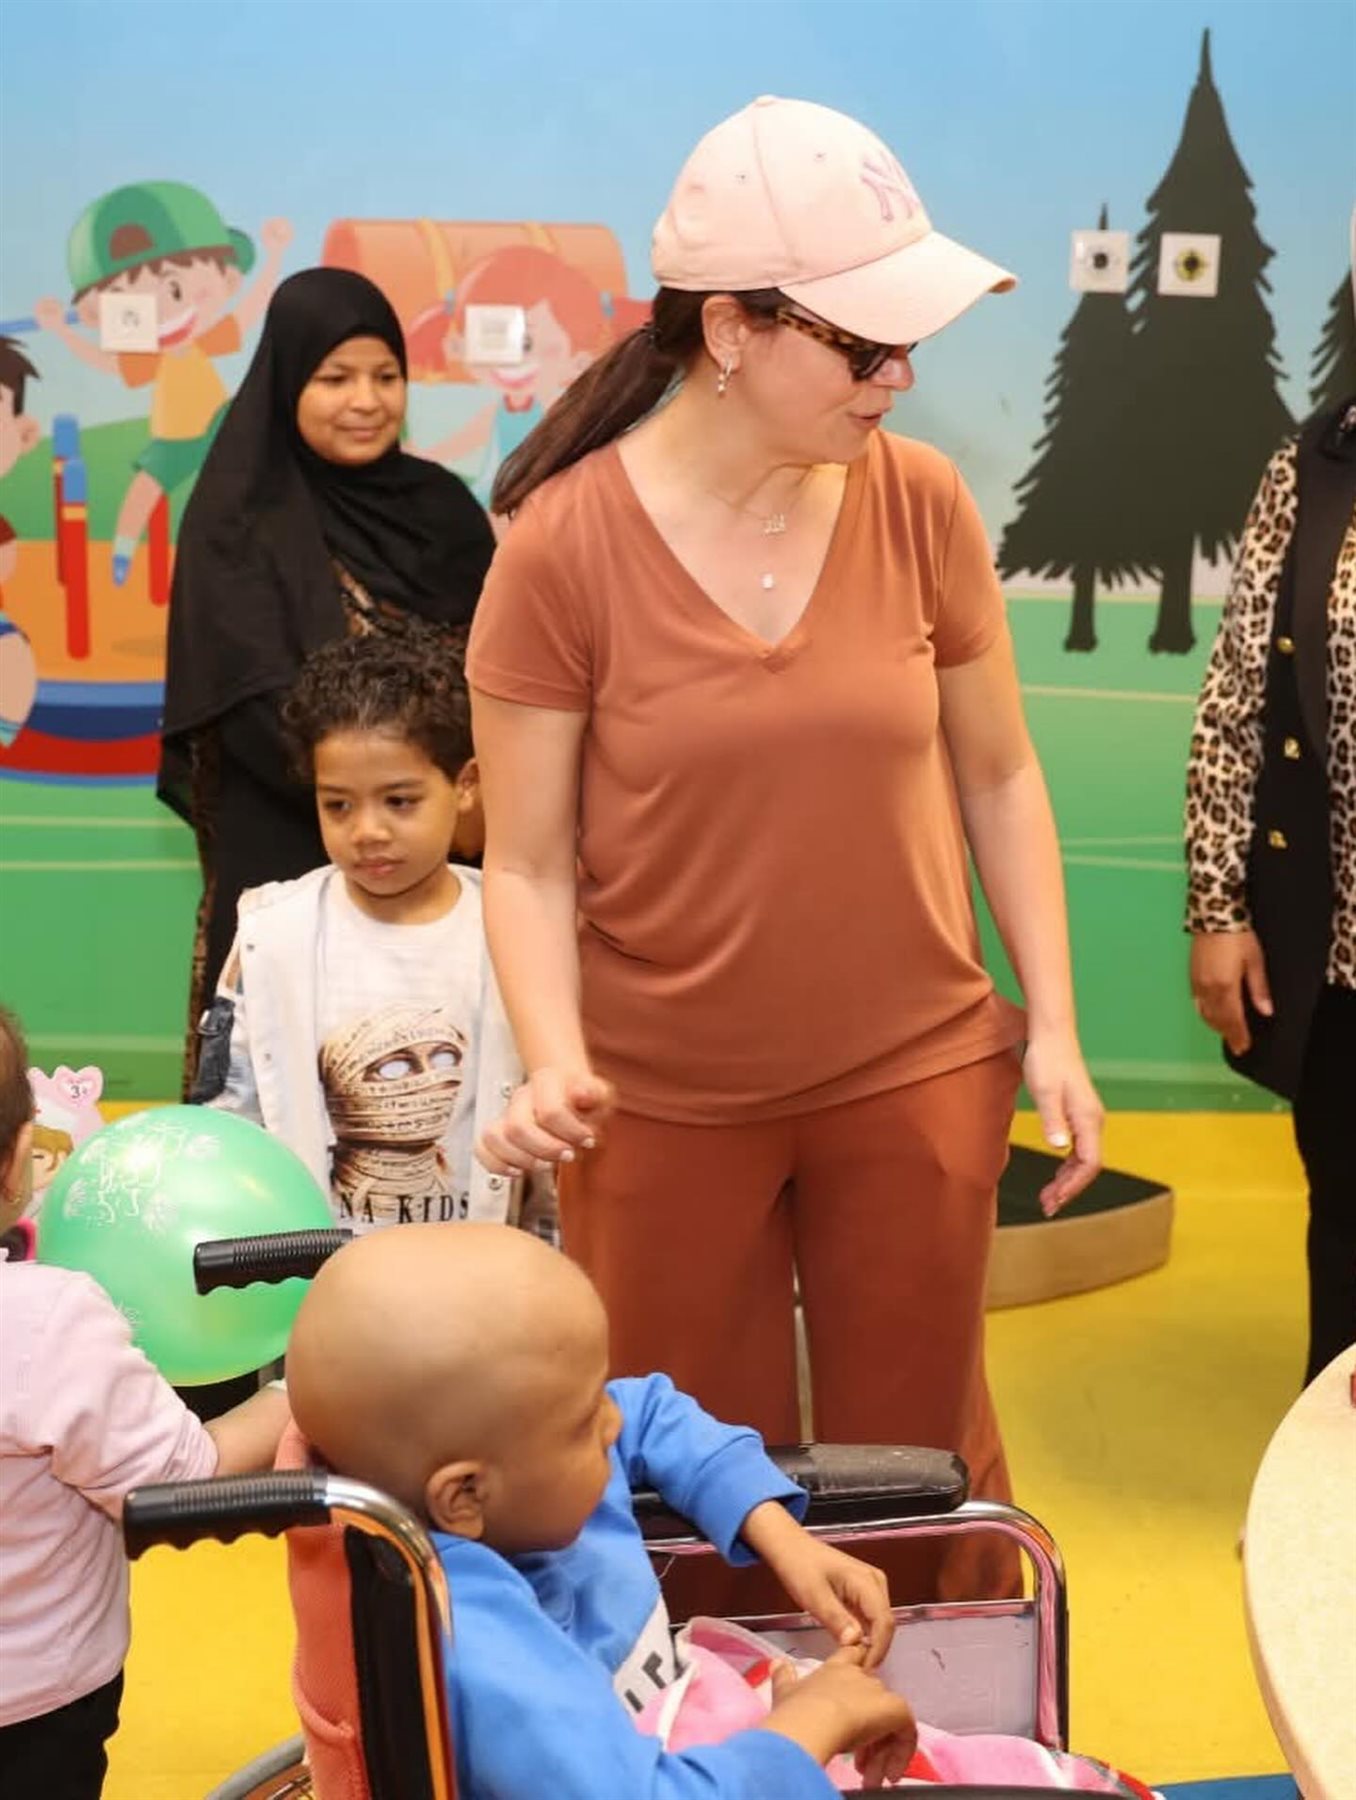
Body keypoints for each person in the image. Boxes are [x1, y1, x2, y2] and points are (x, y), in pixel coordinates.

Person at [466, 95, 1103, 1602]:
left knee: (921, 1457)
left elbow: (1001, 775)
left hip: (912, 1066)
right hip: (660, 1094)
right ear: (731, 331)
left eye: (906, 345)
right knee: (688, 1469)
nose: (900, 378)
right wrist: (553, 1059)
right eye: (862, 346)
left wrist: (1055, 1026)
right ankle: (722, 1715)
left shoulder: (923, 504)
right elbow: (529, 864)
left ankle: (936, 1704)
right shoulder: (561, 547)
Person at [286, 1221, 917, 1797]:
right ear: (465, 1496)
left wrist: (781, 1535)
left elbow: (648, 1410)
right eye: (588, 1418)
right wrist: (815, 1721)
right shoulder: (484, 1656)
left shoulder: (521, 1468)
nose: (615, 1424)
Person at [158, 266, 497, 1078]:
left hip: (446, 858)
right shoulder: (237, 519)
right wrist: (374, 795)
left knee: (437, 1080)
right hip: (290, 842)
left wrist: (446, 809)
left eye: (386, 376)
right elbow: (248, 706)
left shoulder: (444, 510)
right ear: (287, 384)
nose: (366, 400)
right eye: (335, 378)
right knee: (281, 1086)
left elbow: (497, 671)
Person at [0, 1004, 290, 1799]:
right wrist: (297, 1393)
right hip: (34, 1707)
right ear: (21, 1157)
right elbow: (180, 1480)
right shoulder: (47, 1320)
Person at [195, 626, 545, 1238]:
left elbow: (551, 1146)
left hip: (478, 1271)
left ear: (465, 785)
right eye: (338, 805)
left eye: (399, 801)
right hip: (321, 1276)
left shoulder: (511, 926)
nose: (367, 831)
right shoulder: (271, 934)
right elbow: (227, 1122)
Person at [1186, 386, 1356, 1389]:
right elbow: (1236, 699)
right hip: (1339, 957)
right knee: (1346, 1226)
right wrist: (1218, 906)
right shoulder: (1316, 460)